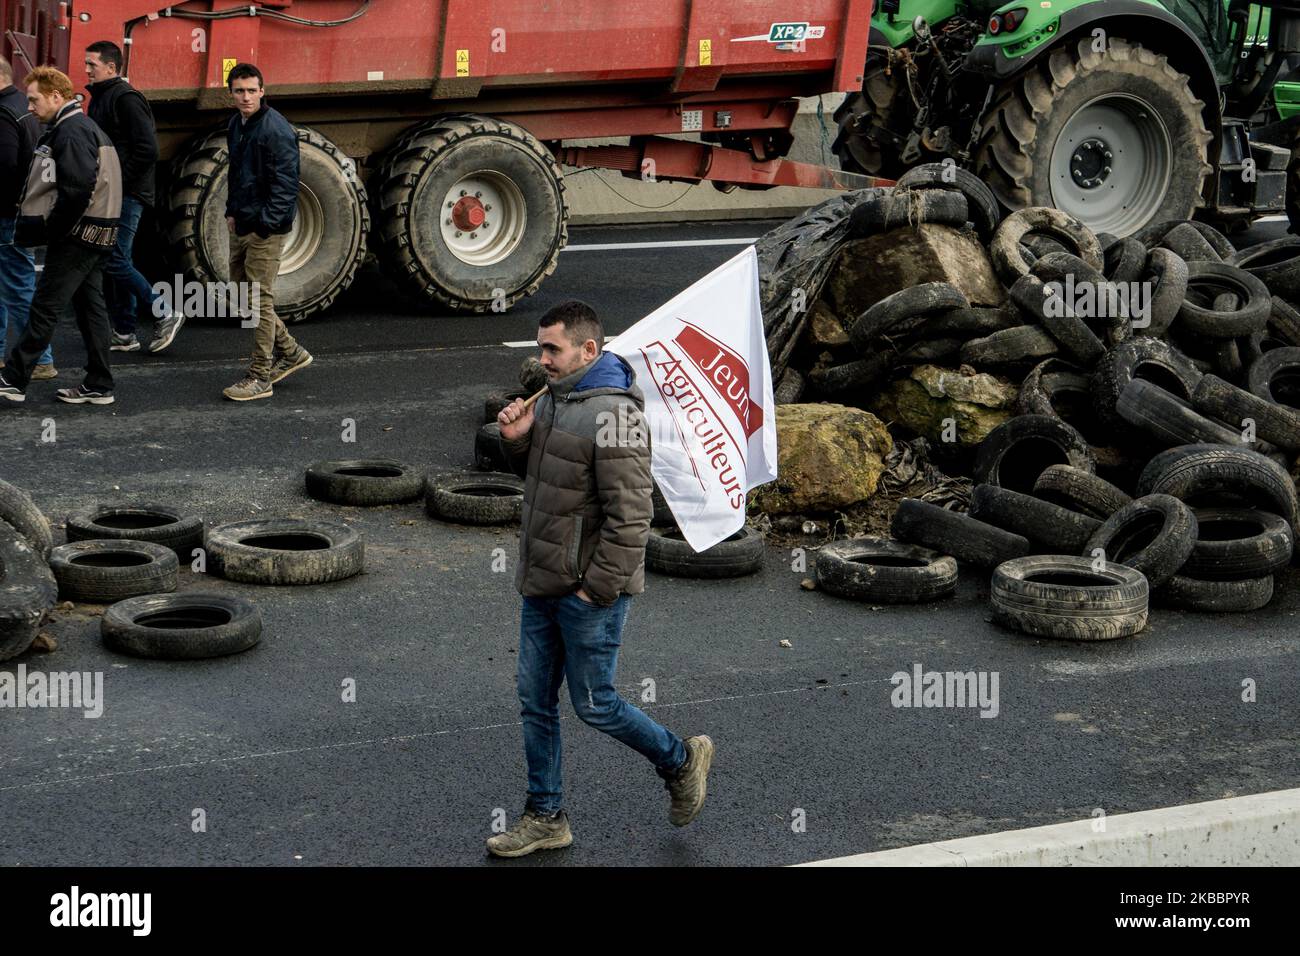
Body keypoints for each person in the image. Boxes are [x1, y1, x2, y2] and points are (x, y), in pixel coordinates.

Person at [488, 299, 713, 858]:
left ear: (588, 350)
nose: (542, 360)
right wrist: (517, 439)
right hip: (541, 583)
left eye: (552, 349)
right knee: (535, 701)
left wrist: (597, 590)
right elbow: (548, 484)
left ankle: (681, 760)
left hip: (587, 592)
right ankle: (545, 816)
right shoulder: (559, 401)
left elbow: (632, 516)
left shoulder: (614, 414)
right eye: (539, 348)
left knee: (595, 704)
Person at [0, 67, 121, 405]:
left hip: (78, 236)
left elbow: (77, 189)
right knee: (90, 307)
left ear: (57, 97)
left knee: (45, 306)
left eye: (35, 99)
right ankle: (99, 384)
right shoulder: (80, 127)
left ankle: (13, 378)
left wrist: (54, 230)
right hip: (99, 231)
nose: (31, 106)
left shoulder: (70, 131)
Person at [84, 40, 183, 354]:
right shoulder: (100, 98)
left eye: (92, 65)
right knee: (119, 258)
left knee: (112, 258)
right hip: (113, 192)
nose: (86, 70)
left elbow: (147, 150)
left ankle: (165, 310)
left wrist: (116, 182)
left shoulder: (126, 99)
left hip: (128, 194)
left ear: (111, 68)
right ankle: (125, 332)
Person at [221, 62, 312, 402]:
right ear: (231, 94)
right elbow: (235, 173)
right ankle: (290, 352)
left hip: (265, 229)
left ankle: (261, 375)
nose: (245, 97)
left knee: (258, 300)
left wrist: (265, 226)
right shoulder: (236, 124)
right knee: (244, 294)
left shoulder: (276, 130)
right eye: (239, 91)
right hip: (242, 222)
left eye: (251, 90)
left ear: (262, 91)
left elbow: (287, 186)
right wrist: (232, 211)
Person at [0, 55, 55, 380]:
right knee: (9, 286)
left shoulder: (6, 112)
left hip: (10, 216)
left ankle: (41, 359)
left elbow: (6, 166)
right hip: (22, 212)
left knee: (18, 287)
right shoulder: (23, 105)